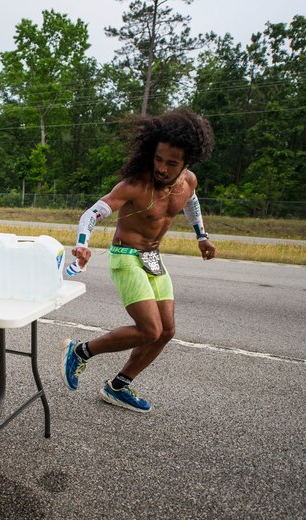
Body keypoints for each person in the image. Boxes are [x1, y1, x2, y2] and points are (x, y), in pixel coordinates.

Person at [61, 107, 216, 413]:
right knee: (149, 330)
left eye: (171, 164)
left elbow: (191, 203)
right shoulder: (136, 184)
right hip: (125, 257)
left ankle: (119, 386)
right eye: (158, 159)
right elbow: (93, 212)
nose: (161, 168)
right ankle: (80, 352)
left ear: (187, 163)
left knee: (167, 330)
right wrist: (82, 243)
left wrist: (202, 235)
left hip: (152, 257)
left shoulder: (189, 182)